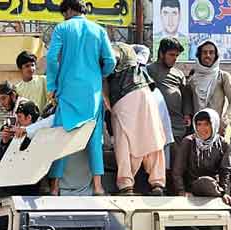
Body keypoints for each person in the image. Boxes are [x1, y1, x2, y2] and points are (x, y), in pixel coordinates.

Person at [45, 0, 116, 196]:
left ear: (67, 10)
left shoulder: (62, 28)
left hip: (67, 92)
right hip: (92, 94)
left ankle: (55, 186)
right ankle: (98, 186)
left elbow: (51, 58)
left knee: (61, 138)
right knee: (94, 139)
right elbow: (111, 61)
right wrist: (96, 73)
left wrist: (52, 85)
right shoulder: (99, 30)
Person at [104, 42, 167, 196]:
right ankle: (157, 183)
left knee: (124, 140)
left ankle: (126, 185)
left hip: (122, 98)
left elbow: (111, 60)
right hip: (145, 93)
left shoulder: (109, 50)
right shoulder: (134, 53)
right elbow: (144, 49)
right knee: (152, 136)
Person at [148, 38, 192, 194]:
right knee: (160, 157)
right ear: (161, 53)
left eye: (176, 56)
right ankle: (159, 187)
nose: (174, 58)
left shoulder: (179, 74)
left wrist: (187, 114)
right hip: (158, 123)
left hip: (178, 124)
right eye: (171, 54)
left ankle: (177, 189)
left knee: (178, 159)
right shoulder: (150, 70)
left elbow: (186, 95)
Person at [172, 108, 231, 205]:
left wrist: (226, 192)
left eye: (206, 124)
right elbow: (177, 171)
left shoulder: (223, 143)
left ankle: (226, 196)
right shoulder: (188, 141)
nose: (202, 129)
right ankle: (220, 196)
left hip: (217, 184)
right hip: (196, 184)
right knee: (206, 182)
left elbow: (225, 171)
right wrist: (181, 191)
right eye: (199, 124)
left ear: (214, 125)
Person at [188, 40, 231, 135]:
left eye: (211, 52)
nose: (208, 55)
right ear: (199, 55)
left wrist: (226, 120)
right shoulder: (192, 80)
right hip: (198, 129)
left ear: (216, 55)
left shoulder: (223, 76)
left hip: (217, 129)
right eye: (204, 52)